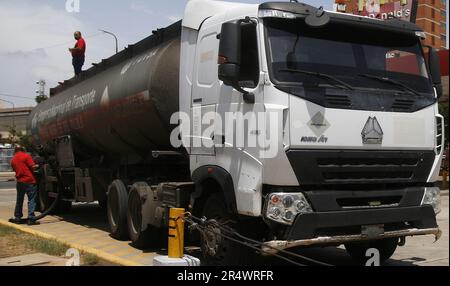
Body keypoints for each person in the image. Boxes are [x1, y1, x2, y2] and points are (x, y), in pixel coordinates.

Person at [9, 146, 40, 226]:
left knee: (19, 200)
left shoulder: (13, 159)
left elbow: (15, 169)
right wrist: (39, 165)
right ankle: (31, 218)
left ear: (15, 151)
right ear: (23, 150)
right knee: (31, 199)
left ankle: (18, 218)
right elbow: (33, 167)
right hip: (29, 181)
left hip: (20, 182)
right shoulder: (26, 156)